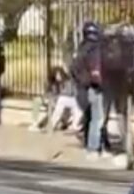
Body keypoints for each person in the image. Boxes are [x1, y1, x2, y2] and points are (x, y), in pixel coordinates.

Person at [72, 21, 105, 158]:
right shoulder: (95, 49)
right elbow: (96, 72)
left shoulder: (80, 49)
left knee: (89, 117)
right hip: (94, 87)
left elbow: (73, 69)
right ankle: (93, 148)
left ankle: (88, 145)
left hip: (82, 88)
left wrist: (81, 81)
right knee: (97, 118)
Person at [30, 66, 82, 132]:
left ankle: (50, 125)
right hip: (54, 100)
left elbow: (67, 93)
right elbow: (48, 93)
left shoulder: (68, 82)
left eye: (59, 75)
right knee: (37, 101)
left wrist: (55, 99)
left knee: (58, 102)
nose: (58, 77)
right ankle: (34, 123)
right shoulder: (52, 83)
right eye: (56, 75)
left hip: (65, 101)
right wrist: (45, 98)